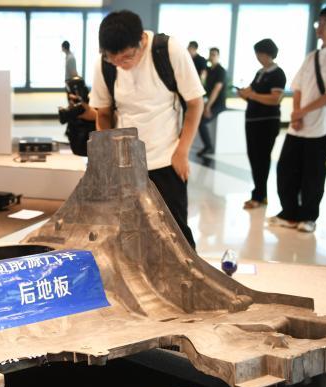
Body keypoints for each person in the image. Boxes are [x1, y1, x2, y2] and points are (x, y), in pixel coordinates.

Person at [90, 10, 205, 249]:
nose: (121, 65)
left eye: (127, 57)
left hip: (166, 160)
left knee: (176, 237)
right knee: (130, 235)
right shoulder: (104, 64)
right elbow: (103, 113)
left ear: (142, 40)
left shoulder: (168, 51)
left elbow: (195, 103)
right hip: (125, 164)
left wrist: (182, 152)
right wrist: (106, 156)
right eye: (113, 59)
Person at [268, 5, 326, 233]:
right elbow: (297, 86)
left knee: (313, 173)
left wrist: (303, 112)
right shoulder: (312, 57)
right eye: (320, 21)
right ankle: (289, 213)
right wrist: (297, 113)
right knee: (286, 169)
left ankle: (308, 217)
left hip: (322, 125)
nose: (321, 26)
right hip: (299, 125)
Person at [237, 39, 286, 210]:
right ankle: (260, 194)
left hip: (267, 123)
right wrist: (244, 94)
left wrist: (252, 96)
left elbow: (275, 99)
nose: (258, 57)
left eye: (259, 53)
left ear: (268, 53)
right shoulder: (260, 72)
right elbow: (250, 92)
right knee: (253, 157)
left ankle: (258, 196)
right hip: (252, 121)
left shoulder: (278, 73)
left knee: (262, 158)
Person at [197, 47, 226, 156]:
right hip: (209, 102)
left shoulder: (221, 70)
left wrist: (208, 106)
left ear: (218, 56)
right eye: (210, 54)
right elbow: (203, 86)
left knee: (201, 122)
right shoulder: (208, 70)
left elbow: (216, 90)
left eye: (214, 54)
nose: (212, 57)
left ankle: (208, 147)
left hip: (218, 104)